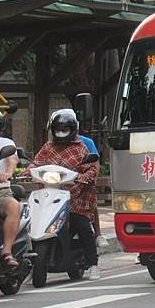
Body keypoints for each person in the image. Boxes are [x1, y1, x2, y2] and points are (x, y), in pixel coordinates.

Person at [31, 110, 100, 280]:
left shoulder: (80, 148)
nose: (62, 131)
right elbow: (36, 163)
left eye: (66, 128)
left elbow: (91, 168)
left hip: (74, 198)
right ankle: (30, 264)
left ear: (73, 128)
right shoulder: (48, 147)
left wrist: (83, 177)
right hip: (50, 194)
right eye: (59, 128)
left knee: (83, 225)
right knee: (31, 221)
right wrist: (28, 171)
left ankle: (93, 264)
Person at [49, 109, 108, 249]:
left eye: (66, 128)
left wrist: (88, 178)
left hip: (79, 183)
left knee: (90, 200)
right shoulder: (51, 145)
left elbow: (95, 165)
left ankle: (97, 234)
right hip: (58, 184)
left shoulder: (86, 142)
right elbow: (42, 162)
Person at [0, 107, 21, 267]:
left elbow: (12, 159)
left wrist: (8, 173)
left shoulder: (6, 143)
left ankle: (7, 252)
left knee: (13, 206)